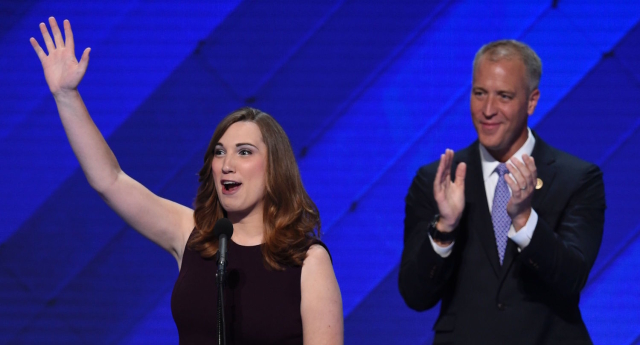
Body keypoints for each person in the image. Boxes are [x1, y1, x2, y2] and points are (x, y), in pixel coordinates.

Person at [30, 17, 343, 345]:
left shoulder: (308, 261)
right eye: (220, 153)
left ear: (275, 169)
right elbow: (110, 180)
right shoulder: (194, 234)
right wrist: (66, 96)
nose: (226, 165)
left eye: (245, 152)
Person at [398, 39, 605, 344]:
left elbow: (572, 277)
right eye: (479, 93)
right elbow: (416, 295)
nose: (488, 110)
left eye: (504, 96)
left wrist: (524, 221)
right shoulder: (438, 179)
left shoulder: (577, 179)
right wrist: (445, 229)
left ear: (531, 101)